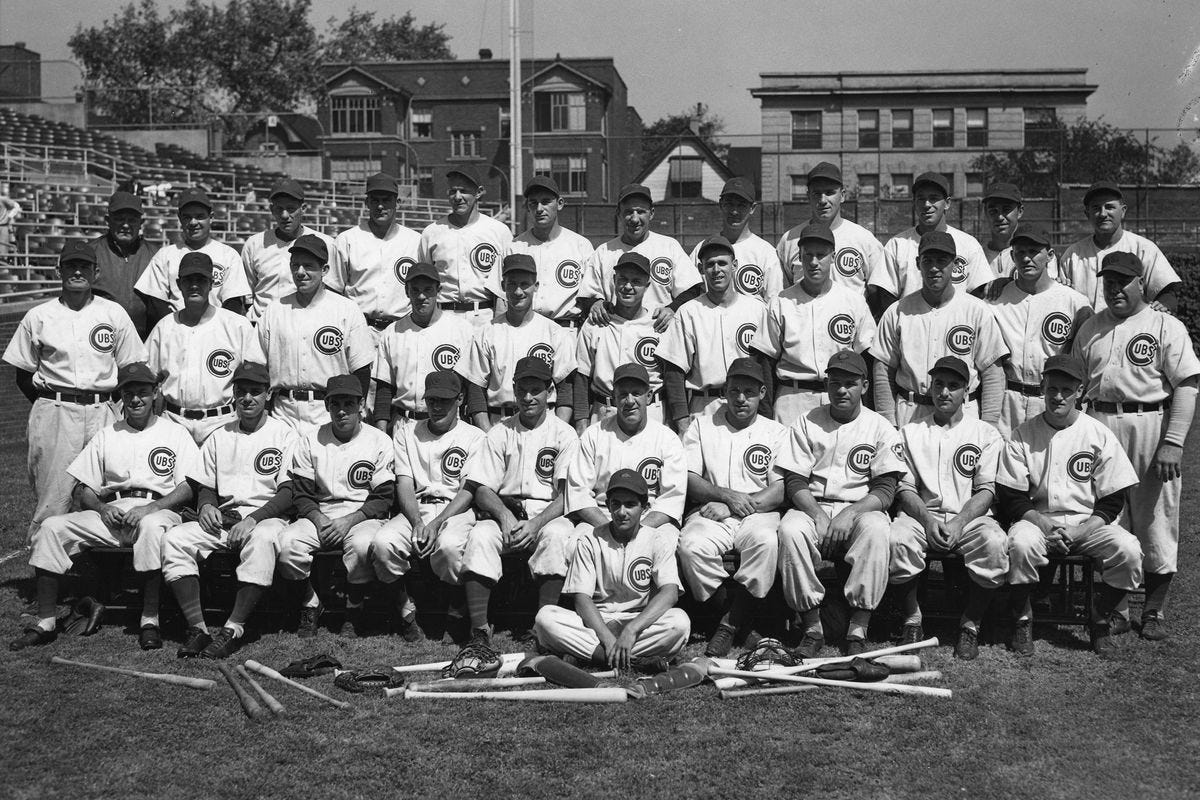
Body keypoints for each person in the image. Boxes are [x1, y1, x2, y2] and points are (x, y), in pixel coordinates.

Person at [10, 362, 199, 651]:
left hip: (157, 510)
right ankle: (46, 622)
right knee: (51, 527)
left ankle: (150, 619)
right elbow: (85, 489)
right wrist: (101, 509)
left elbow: (186, 488)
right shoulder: (108, 434)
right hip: (114, 513)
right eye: (129, 392)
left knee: (150, 528)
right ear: (121, 395)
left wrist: (152, 508)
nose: (136, 399)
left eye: (143, 392)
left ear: (155, 393)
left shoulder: (175, 433)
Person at [1071, 252, 1200, 641]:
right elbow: (1076, 383)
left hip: (1149, 423)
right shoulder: (1091, 328)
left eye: (1122, 281)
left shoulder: (1165, 325)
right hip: (1100, 424)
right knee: (1106, 518)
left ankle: (1154, 610)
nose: (1115, 289)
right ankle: (1118, 609)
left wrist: (1173, 443)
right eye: (1108, 282)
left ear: (1141, 282)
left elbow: (1188, 386)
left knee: (1155, 515)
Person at [439, 356, 578, 676]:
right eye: (523, 390)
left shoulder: (565, 433)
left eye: (536, 390)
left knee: (557, 536)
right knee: (480, 536)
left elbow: (567, 495)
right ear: (514, 391)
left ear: (549, 392)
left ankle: (546, 630)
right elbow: (481, 487)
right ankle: (479, 632)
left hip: (547, 512)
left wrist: (536, 523)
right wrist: (503, 516)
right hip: (506, 510)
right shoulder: (500, 432)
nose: (529, 397)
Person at [998, 356, 1143, 658]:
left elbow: (1114, 496)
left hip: (1086, 522)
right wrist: (1045, 524)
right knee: (1020, 543)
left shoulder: (1097, 433)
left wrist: (1082, 530)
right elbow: (1012, 495)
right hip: (1037, 520)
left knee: (1129, 550)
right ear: (1043, 389)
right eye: (1052, 389)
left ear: (1080, 392)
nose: (1058, 396)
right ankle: (1023, 619)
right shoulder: (1024, 434)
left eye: (1066, 389)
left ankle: (1099, 616)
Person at [3, 241, 145, 541]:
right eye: (70, 265)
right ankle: (48, 576)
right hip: (55, 410)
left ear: (95, 272)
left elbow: (132, 368)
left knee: (106, 490)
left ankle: (99, 572)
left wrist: (110, 405)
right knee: (54, 495)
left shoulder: (113, 313)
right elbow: (23, 375)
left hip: (103, 410)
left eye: (84, 266)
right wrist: (52, 403)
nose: (77, 271)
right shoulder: (39, 315)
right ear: (59, 271)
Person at [161, 362, 298, 659]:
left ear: (268, 395)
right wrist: (206, 503)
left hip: (267, 517)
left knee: (262, 540)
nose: (248, 398)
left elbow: (289, 492)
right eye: (241, 391)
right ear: (233, 394)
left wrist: (253, 519)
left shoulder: (284, 435)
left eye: (255, 392)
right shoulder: (219, 434)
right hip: (224, 517)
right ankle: (198, 628)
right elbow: (205, 482)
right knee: (175, 540)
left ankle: (233, 628)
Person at [775, 350, 906, 658]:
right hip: (813, 504)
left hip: (860, 507)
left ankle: (858, 627)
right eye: (835, 383)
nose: (841, 390)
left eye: (850, 383)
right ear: (826, 384)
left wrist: (851, 512)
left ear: (864, 385)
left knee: (877, 530)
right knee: (790, 530)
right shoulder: (807, 422)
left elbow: (886, 488)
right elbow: (794, 480)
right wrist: (817, 514)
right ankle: (811, 626)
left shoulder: (880, 426)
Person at [887, 356, 1008, 660]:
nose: (944, 392)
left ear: (966, 392)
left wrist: (958, 523)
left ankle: (970, 623)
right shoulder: (910, 432)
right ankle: (912, 619)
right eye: (939, 384)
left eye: (953, 386)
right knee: (896, 539)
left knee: (994, 544)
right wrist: (927, 521)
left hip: (968, 517)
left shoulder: (985, 433)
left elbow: (986, 490)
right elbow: (905, 488)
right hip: (920, 515)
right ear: (929, 386)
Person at [677, 358, 786, 657]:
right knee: (691, 546)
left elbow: (779, 490)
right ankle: (740, 623)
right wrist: (725, 496)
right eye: (734, 390)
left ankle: (726, 626)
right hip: (711, 512)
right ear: (724, 391)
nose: (740, 398)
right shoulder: (702, 424)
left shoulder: (776, 431)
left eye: (749, 392)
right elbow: (689, 478)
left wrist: (734, 506)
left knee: (765, 543)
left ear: (762, 393)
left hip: (757, 513)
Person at [533, 469, 690, 670]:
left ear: (645, 507)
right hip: (596, 622)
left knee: (679, 623)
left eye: (630, 504)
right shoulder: (590, 539)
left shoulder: (657, 539)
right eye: (616, 504)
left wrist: (631, 630)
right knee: (546, 618)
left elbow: (670, 593)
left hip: (637, 619)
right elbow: (581, 599)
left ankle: (589, 656)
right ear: (607, 505)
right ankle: (634, 662)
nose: (622, 512)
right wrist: (607, 637)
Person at [276, 374, 395, 638]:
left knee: (363, 545)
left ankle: (354, 610)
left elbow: (384, 496)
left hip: (361, 514)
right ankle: (311, 603)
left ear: (361, 405)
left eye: (348, 404)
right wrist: (319, 520)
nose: (341, 410)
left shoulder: (379, 441)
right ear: (327, 406)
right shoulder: (309, 439)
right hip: (321, 513)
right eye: (335, 404)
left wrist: (349, 521)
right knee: (287, 545)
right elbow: (302, 494)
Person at [372, 371, 485, 639]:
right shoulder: (407, 432)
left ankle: (456, 611)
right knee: (383, 543)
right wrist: (417, 523)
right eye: (431, 400)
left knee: (448, 546)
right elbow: (404, 483)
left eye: (444, 400)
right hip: (417, 509)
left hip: (455, 508)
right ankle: (405, 609)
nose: (436, 407)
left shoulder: (475, 436)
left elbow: (468, 491)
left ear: (459, 399)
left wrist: (435, 524)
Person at [870, 231, 1008, 428]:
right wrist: (888, 423)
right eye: (928, 260)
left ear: (955, 264)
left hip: (964, 415)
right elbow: (883, 371)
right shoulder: (898, 311)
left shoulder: (976, 310)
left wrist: (989, 426)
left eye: (942, 260)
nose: (934, 268)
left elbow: (992, 372)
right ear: (918, 264)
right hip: (911, 413)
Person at [751, 221, 875, 425]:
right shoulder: (780, 302)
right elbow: (765, 361)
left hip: (838, 399)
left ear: (833, 257)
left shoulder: (853, 301)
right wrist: (765, 417)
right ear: (799, 257)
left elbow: (866, 358)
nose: (814, 262)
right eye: (808, 255)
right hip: (792, 398)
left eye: (821, 255)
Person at [257, 234, 374, 431]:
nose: (300, 272)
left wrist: (354, 415)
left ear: (325, 270)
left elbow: (361, 370)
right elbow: (258, 366)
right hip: (283, 412)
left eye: (309, 266)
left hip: (329, 411)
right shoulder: (274, 310)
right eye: (295, 265)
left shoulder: (346, 310)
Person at [562, 363, 687, 548]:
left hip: (650, 518)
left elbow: (671, 499)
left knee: (666, 543)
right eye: (623, 394)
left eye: (636, 393)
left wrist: (639, 530)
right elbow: (579, 493)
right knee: (577, 544)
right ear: (613, 397)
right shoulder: (594, 434)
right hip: (602, 515)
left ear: (649, 396)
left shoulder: (667, 438)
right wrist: (609, 530)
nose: (629, 401)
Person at [145, 252, 264, 444]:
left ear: (211, 283)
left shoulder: (237, 325)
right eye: (188, 280)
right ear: (178, 283)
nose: (194, 285)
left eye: (200, 279)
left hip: (223, 422)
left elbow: (258, 375)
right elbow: (146, 376)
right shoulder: (165, 326)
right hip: (174, 422)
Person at [988, 227, 1091, 438]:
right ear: (1012, 256)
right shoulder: (995, 300)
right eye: (1020, 252)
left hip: (1053, 399)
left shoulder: (1074, 302)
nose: (1026, 258)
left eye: (1034, 251)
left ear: (1050, 256)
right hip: (1008, 400)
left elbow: (1087, 359)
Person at [657, 235, 765, 434]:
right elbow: (674, 371)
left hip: (747, 406)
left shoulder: (757, 310)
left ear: (735, 266)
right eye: (710, 264)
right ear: (700, 269)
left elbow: (767, 367)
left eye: (722, 263)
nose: (716, 270)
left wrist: (765, 415)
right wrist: (681, 422)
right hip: (704, 405)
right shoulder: (688, 311)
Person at [455, 253, 575, 430]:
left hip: (545, 423)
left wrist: (558, 432)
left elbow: (565, 390)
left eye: (524, 284)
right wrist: (488, 434)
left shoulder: (554, 332)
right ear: (503, 286)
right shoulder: (487, 332)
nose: (518, 292)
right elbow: (476, 391)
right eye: (512, 284)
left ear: (536, 286)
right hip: (500, 423)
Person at [577, 183, 703, 333]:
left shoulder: (669, 246)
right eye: (629, 212)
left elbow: (692, 289)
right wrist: (594, 303)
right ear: (619, 213)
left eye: (641, 211)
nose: (635, 219)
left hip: (659, 332)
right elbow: (587, 294)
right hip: (616, 333)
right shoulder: (604, 252)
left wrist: (673, 308)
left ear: (652, 213)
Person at [868, 172, 992, 317]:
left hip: (955, 328)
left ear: (947, 203)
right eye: (921, 199)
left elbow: (977, 292)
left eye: (933, 198)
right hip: (911, 325)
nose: (927, 205)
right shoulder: (897, 244)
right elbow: (885, 294)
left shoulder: (968, 244)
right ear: (914, 203)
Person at [372, 262, 473, 430]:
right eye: (415, 290)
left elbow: (472, 387)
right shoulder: (393, 332)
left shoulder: (461, 330)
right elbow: (384, 391)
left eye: (428, 290)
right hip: (405, 424)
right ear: (406, 292)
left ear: (438, 291)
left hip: (449, 426)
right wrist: (382, 433)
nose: (421, 296)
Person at [134, 187, 250, 328]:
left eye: (200, 216)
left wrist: (216, 330)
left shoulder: (229, 255)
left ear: (211, 217)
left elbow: (233, 304)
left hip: (217, 332)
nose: (193, 222)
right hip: (176, 331)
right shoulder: (165, 255)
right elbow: (156, 303)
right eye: (187, 217)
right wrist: (178, 330)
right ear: (179, 218)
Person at [1058, 181, 1182, 312]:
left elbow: (1167, 293)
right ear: (1087, 214)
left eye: (1109, 207)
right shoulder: (1073, 255)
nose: (1102, 213)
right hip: (1086, 330)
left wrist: (1163, 304)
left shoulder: (1144, 249)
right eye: (1096, 208)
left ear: (1123, 211)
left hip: (1132, 329)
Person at [574, 252, 665, 425]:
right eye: (623, 279)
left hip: (652, 412)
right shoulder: (595, 323)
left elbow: (673, 377)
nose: (628, 286)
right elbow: (581, 377)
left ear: (647, 286)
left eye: (636, 281)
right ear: (614, 280)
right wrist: (581, 422)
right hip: (605, 410)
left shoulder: (658, 324)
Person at [417, 166, 513, 327]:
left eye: (464, 190)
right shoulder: (432, 232)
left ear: (479, 192)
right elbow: (423, 280)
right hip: (444, 314)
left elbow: (508, 282)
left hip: (484, 314)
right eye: (453, 191)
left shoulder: (498, 231)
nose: (458, 197)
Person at [492, 176, 594, 327]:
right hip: (525, 329)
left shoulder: (580, 246)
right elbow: (501, 299)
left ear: (559, 204)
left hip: (567, 328)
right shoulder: (514, 247)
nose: (539, 209)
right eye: (533, 203)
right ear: (527, 207)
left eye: (546, 202)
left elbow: (591, 296)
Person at [330, 172, 421, 334]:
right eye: (375, 200)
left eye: (386, 200)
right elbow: (333, 291)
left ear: (397, 202)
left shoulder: (416, 241)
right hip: (359, 328)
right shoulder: (347, 240)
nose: (380, 206)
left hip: (403, 329)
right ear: (367, 202)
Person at [776, 162, 885, 295]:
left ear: (843, 195)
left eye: (829, 192)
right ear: (808, 196)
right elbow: (782, 292)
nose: (823, 200)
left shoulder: (864, 239)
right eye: (817, 193)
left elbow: (878, 293)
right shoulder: (789, 240)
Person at [241, 179, 338, 323]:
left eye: (291, 208)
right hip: (261, 323)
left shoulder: (325, 243)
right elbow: (247, 293)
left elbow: (331, 290)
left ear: (303, 208)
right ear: (272, 210)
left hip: (304, 324)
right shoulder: (254, 244)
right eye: (279, 209)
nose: (285, 215)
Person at [688, 177, 784, 301]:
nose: (734, 211)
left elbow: (774, 302)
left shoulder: (765, 252)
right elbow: (688, 293)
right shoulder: (703, 248)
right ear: (721, 205)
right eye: (729, 204)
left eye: (741, 205)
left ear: (753, 208)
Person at [88, 190, 157, 339]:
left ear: (141, 223)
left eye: (132, 220)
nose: (126, 225)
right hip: (99, 339)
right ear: (108, 220)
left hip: (143, 340)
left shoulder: (155, 256)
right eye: (119, 219)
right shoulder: (91, 253)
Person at [979, 183, 1059, 285]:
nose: (999, 217)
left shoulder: (1039, 253)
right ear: (986, 213)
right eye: (993, 211)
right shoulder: (977, 254)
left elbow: (1047, 292)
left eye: (1006, 209)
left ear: (1020, 211)